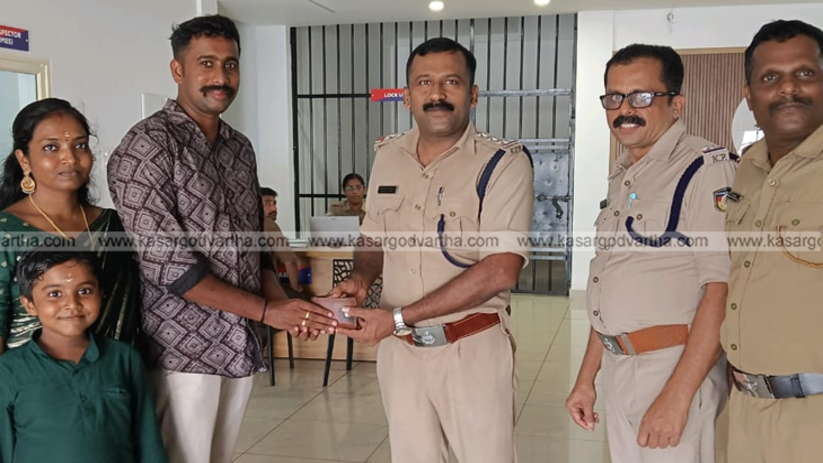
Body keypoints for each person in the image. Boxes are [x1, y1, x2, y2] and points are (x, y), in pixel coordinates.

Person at [107, 14, 336, 463]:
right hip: (180, 347)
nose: (221, 77)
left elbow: (255, 246)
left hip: (239, 339)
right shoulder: (147, 146)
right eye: (207, 64)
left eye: (230, 65)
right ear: (178, 70)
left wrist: (282, 305)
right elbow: (170, 267)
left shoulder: (239, 148)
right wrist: (268, 311)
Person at [330, 37, 534, 463]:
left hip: (470, 349)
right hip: (400, 352)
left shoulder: (502, 162)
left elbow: (501, 269)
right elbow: (373, 237)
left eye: (451, 82)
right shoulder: (387, 155)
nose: (437, 94)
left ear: (472, 94)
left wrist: (398, 317)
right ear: (407, 96)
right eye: (424, 82)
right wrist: (361, 279)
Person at [565, 44, 736, 463]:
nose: (625, 109)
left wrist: (677, 397)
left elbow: (722, 289)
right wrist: (587, 379)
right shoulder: (624, 175)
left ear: (676, 104)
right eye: (614, 97)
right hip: (621, 364)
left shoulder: (704, 168)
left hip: (672, 369)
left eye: (642, 96)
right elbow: (610, 283)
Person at [722, 20, 823, 463]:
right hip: (745, 407)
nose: (788, 89)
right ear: (749, 95)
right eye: (770, 78)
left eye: (804, 73)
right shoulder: (748, 168)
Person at [0, 98, 142, 355]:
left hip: (114, 376)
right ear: (24, 159)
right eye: (51, 147)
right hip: (31, 378)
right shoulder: (6, 230)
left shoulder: (114, 224)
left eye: (80, 145)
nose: (69, 158)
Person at [0, 249, 167, 463]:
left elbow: (148, 441)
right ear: (29, 304)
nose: (72, 304)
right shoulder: (8, 369)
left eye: (85, 291)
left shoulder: (124, 359)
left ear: (101, 294)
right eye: (55, 294)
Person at [261, 187, 302, 295]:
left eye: (274, 203)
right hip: (270, 290)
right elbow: (289, 261)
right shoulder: (268, 223)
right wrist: (297, 290)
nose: (274, 208)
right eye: (267, 203)